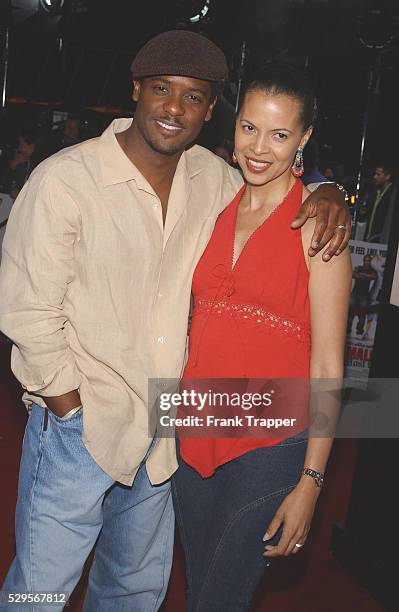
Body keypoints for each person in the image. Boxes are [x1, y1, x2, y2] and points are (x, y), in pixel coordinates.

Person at [0, 31, 350, 611]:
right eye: (162, 89)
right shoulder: (67, 179)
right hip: (82, 425)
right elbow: (25, 308)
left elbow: (280, 189)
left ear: (210, 111)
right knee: (41, 589)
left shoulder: (212, 182)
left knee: (136, 590)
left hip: (171, 428)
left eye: (194, 97)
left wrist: (330, 189)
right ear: (135, 90)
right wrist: (68, 406)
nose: (174, 108)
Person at [172, 63, 352, 611]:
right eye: (249, 127)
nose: (259, 147)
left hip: (270, 442)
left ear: (304, 138)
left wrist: (313, 481)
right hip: (193, 428)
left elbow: (327, 363)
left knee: (220, 597)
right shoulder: (215, 202)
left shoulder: (319, 224)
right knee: (199, 584)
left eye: (279, 134)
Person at [365, 163, 397, 243]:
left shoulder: (393, 194)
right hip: (371, 237)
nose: (374, 177)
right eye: (375, 174)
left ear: (387, 176)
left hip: (383, 239)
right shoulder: (376, 192)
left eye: (378, 174)